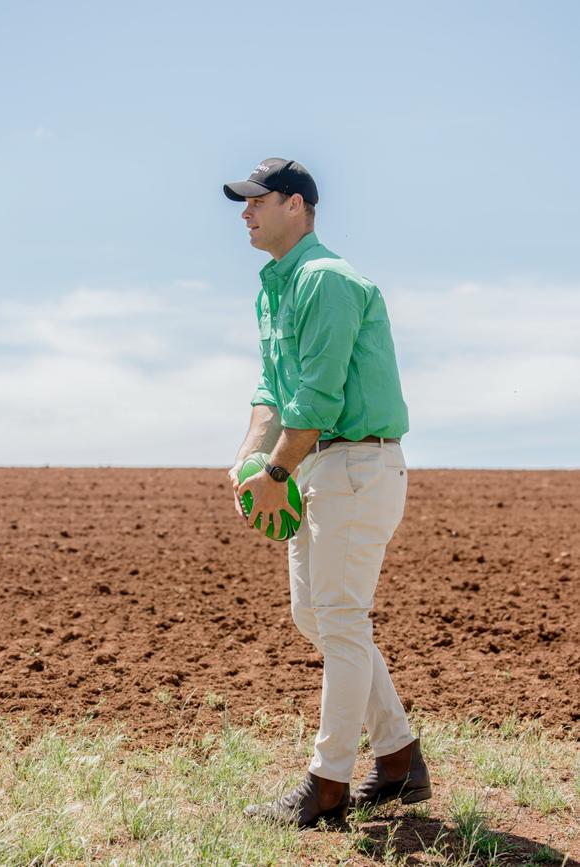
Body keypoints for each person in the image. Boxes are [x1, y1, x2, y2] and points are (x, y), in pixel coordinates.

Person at [224, 158, 431, 828]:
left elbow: (316, 401)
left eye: (257, 201)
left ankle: (328, 783)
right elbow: (271, 395)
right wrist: (250, 463)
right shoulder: (274, 290)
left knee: (340, 619)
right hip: (317, 469)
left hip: (356, 465)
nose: (246, 213)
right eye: (243, 204)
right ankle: (399, 758)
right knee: (317, 619)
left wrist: (276, 474)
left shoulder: (327, 281)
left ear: (295, 205)